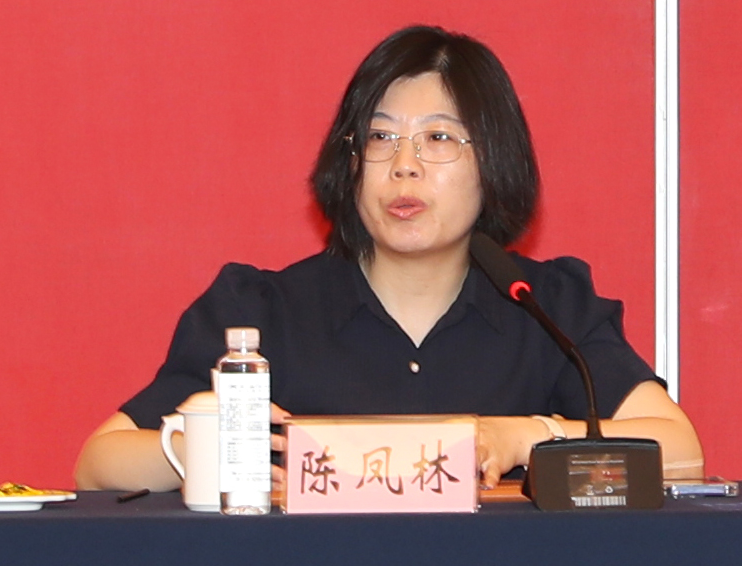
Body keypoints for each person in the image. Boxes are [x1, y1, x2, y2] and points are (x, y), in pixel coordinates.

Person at [74, 25, 703, 492]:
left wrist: (527, 435)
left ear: (493, 161)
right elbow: (98, 465)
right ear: (350, 162)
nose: (404, 164)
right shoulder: (262, 313)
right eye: (380, 137)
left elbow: (680, 452)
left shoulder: (545, 308)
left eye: (438, 137)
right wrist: (208, 448)